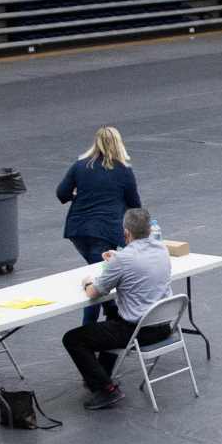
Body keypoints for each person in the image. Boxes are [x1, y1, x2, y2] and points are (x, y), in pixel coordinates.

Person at [61, 207, 175, 411]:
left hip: (138, 331)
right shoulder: (162, 249)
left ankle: (106, 389)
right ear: (149, 230)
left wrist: (87, 282)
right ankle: (103, 374)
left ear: (126, 233)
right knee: (112, 315)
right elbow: (137, 260)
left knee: (73, 339)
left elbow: (94, 292)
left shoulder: (122, 260)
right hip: (163, 325)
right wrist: (117, 257)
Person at [57, 126, 143, 328]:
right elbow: (134, 205)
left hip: (78, 231)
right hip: (106, 232)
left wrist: (77, 196)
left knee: (97, 270)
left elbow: (62, 194)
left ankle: (110, 313)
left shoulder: (79, 166)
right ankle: (90, 329)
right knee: (98, 282)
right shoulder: (124, 171)